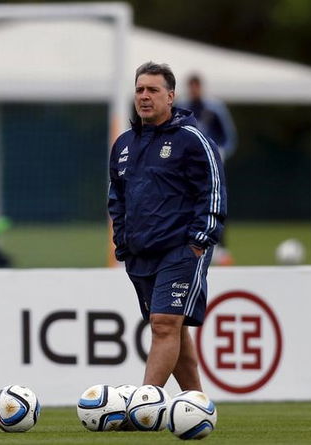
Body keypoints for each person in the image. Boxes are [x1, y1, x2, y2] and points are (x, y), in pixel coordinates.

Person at [108, 62, 227, 390]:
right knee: (173, 329)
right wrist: (122, 240)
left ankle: (144, 405)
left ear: (171, 96)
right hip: (141, 254)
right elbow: (116, 198)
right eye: (139, 89)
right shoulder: (123, 145)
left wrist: (200, 239)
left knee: (164, 324)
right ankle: (198, 404)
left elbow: (213, 190)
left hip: (181, 249)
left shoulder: (192, 139)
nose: (144, 96)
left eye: (153, 90)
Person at [178, 73, 236, 265]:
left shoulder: (214, 109)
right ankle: (190, 242)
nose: (194, 90)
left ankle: (221, 248)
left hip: (211, 165)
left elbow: (229, 138)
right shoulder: (182, 108)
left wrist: (220, 153)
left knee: (215, 202)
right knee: (188, 202)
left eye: (196, 86)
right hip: (190, 167)